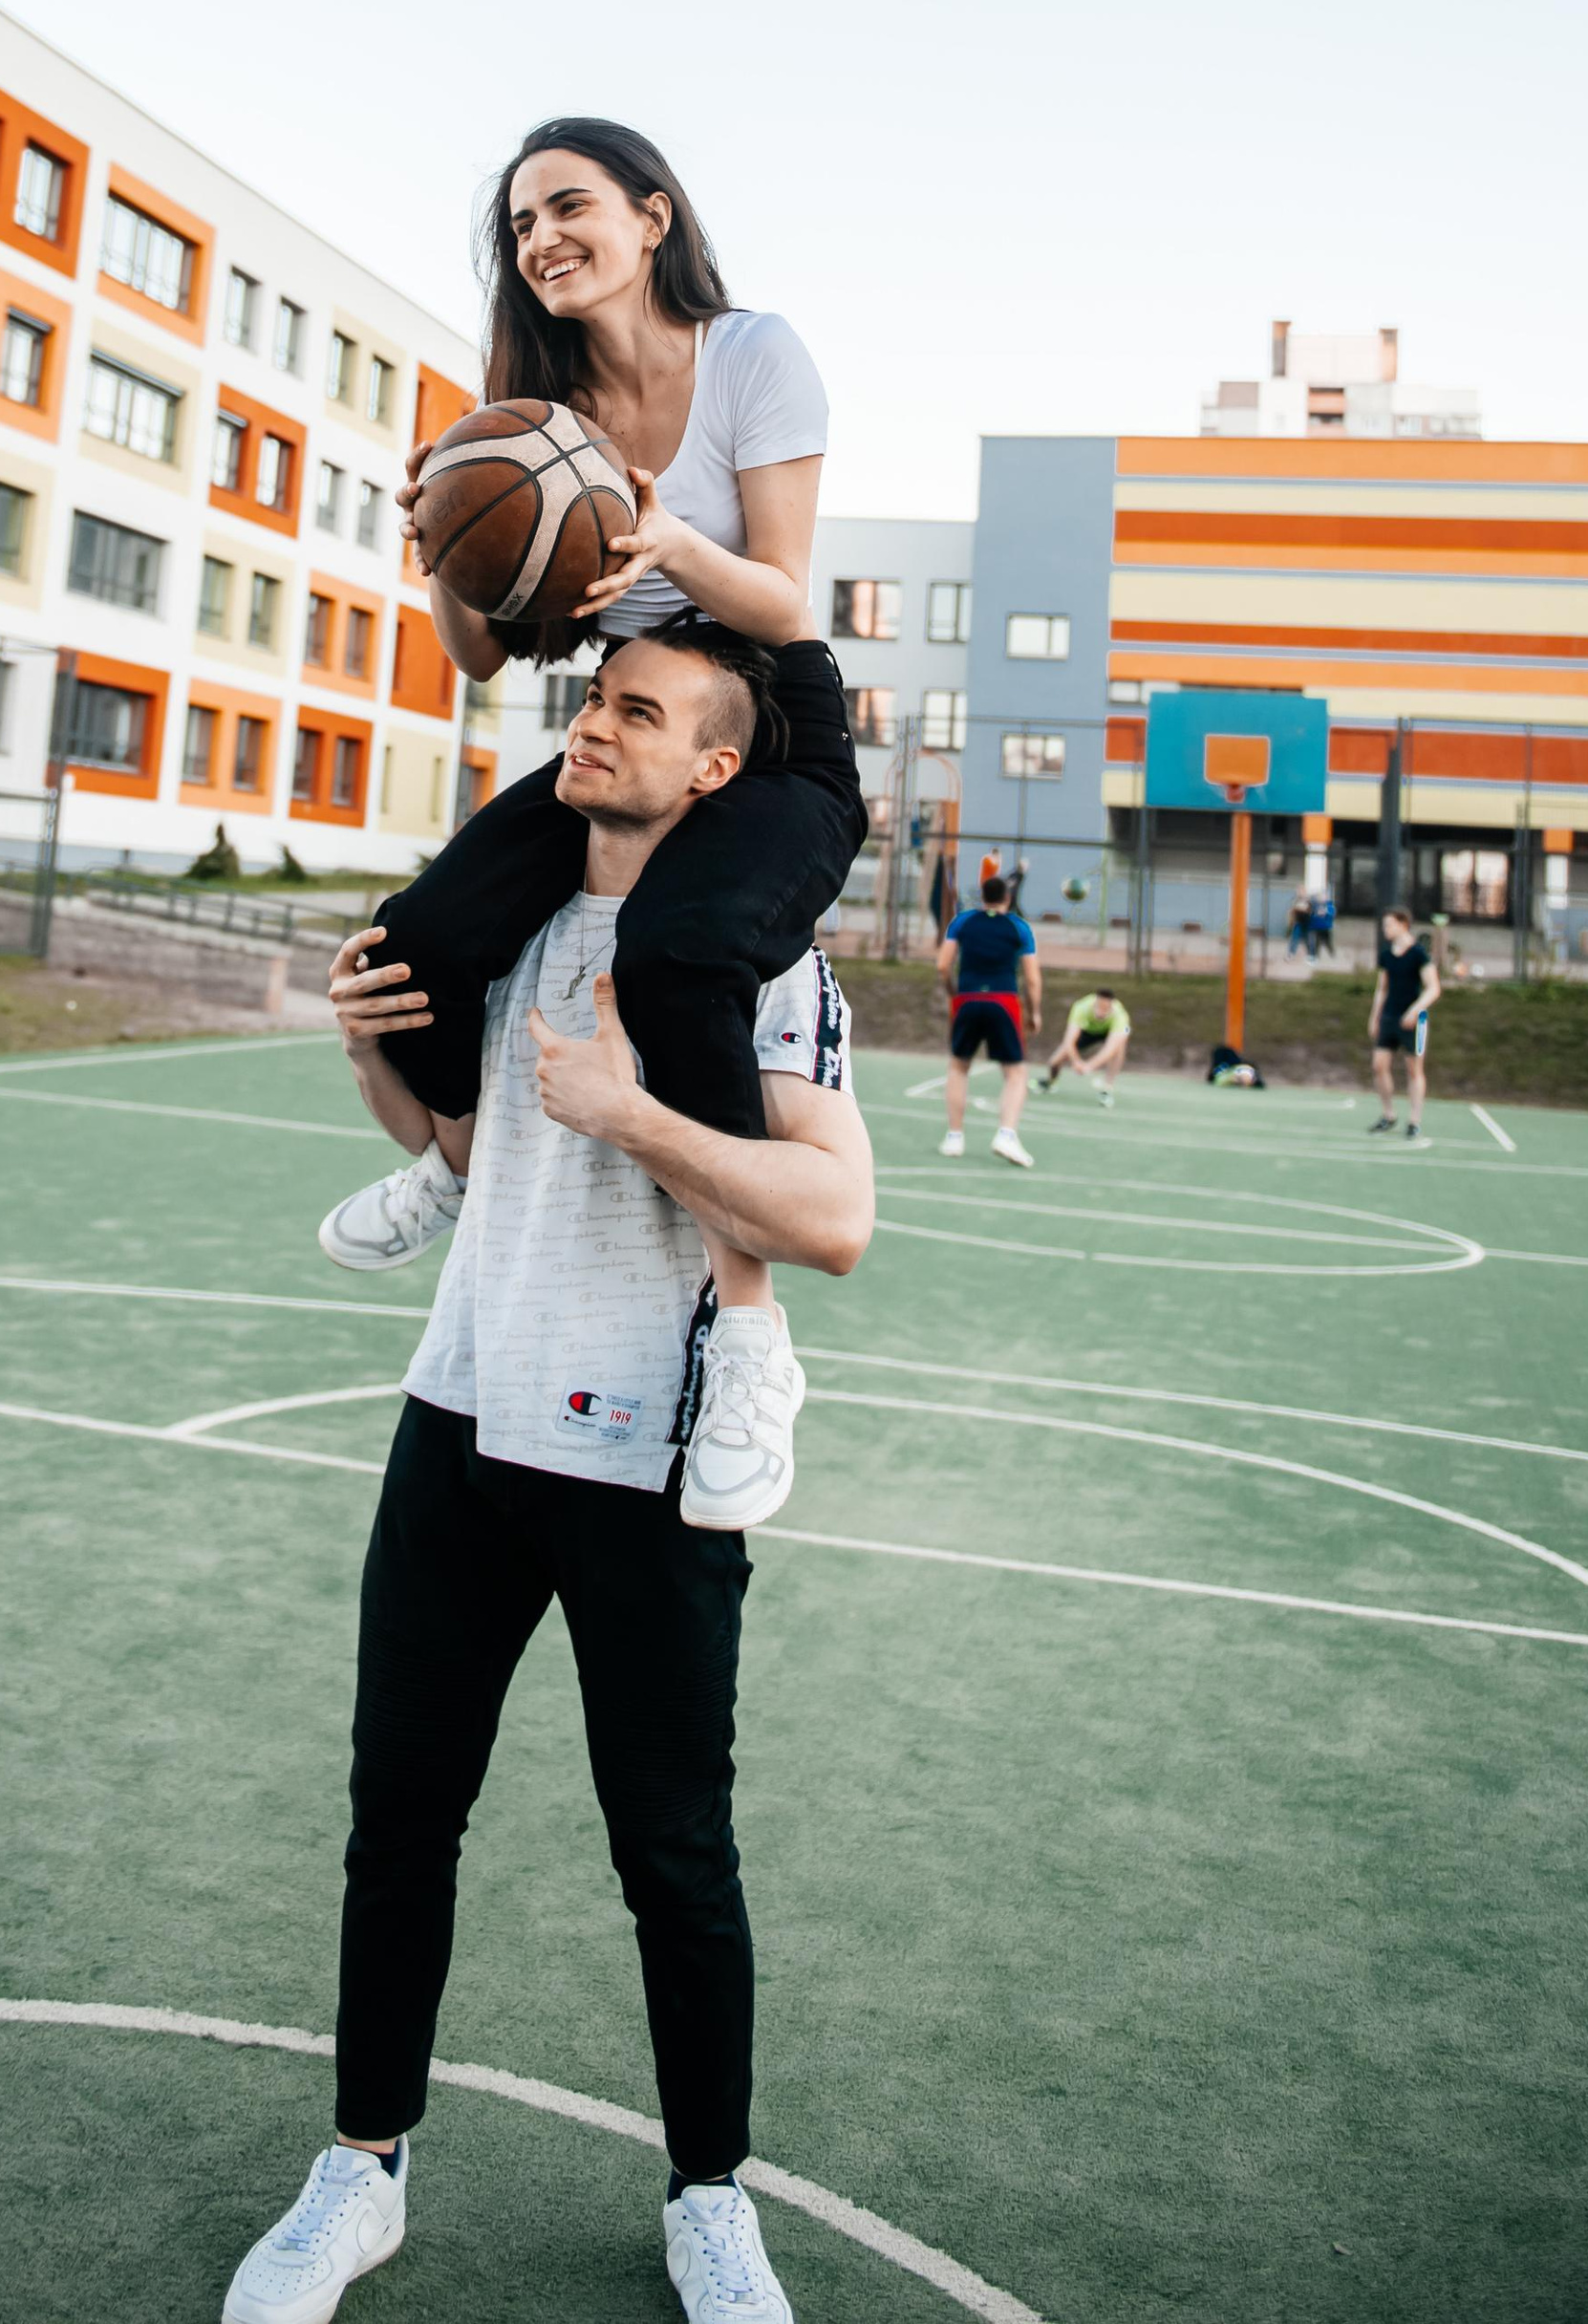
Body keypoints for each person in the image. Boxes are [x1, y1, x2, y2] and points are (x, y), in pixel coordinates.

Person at [223, 617, 873, 2324]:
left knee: (673, 1852)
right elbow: (459, 1143)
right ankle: (360, 2169)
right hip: (458, 1422)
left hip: (649, 1459)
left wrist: (635, 1112)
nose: (596, 725)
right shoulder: (514, 925)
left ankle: (713, 2200)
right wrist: (369, 1043)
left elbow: (835, 1222)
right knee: (398, 1821)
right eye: (594, 698)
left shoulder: (766, 963)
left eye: (638, 711)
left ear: (715, 768)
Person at [315, 121, 865, 1535]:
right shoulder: (526, 407)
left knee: (680, 955)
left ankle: (746, 1336)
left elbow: (790, 601)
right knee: (420, 943)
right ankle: (451, 1157)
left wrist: (668, 541)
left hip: (766, 727)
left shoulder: (753, 355)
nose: (541, 237)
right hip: (626, 721)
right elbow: (488, 658)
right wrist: (441, 541)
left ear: (650, 215)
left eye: (569, 205)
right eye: (518, 222)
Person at [935, 872, 1041, 1164]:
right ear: (1008, 898)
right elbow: (1032, 979)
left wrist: (953, 993)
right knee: (1016, 1073)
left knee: (959, 1067)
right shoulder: (1019, 927)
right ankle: (1006, 1135)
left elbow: (943, 965)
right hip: (1004, 1002)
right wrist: (1035, 1012)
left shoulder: (963, 921)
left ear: (982, 896)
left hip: (968, 1000)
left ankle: (954, 1138)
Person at [1368, 904, 1441, 1139]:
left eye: (1389, 924)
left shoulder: (1419, 954)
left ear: (1403, 924)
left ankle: (1414, 1121)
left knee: (1414, 1070)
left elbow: (1433, 989)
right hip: (1390, 1016)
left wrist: (1415, 1010)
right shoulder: (1387, 955)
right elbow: (1382, 989)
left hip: (1416, 1021)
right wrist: (1375, 1016)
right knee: (1378, 1065)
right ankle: (1388, 1115)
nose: (1385, 929)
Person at [1037, 986, 1129, 1100]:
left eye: (1105, 1009)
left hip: (1109, 1032)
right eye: (1100, 1007)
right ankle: (1051, 1082)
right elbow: (1069, 1041)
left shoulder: (1120, 1015)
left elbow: (1110, 1049)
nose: (1101, 1012)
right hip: (1087, 1031)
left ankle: (1108, 1087)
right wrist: (1076, 1062)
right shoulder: (1081, 1007)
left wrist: (1089, 1066)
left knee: (1120, 1045)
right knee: (1054, 1062)